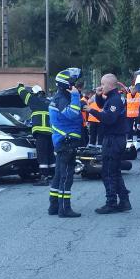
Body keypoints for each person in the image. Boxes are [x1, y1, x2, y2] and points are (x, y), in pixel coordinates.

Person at [87, 73, 131, 214]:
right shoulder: (112, 98)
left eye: (103, 84)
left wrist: (91, 110)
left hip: (113, 139)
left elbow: (109, 118)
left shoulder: (115, 100)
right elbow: (103, 105)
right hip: (114, 139)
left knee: (107, 172)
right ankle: (124, 201)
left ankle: (111, 203)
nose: (101, 86)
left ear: (111, 85)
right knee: (114, 171)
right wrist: (98, 95)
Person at [48, 68, 84, 218]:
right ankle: (64, 209)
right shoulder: (62, 98)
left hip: (63, 142)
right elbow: (71, 113)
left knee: (58, 175)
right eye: (73, 84)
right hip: (66, 142)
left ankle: (54, 206)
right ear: (67, 85)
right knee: (66, 177)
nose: (75, 86)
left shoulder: (60, 97)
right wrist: (76, 96)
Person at [17, 83, 54, 186]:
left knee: (42, 155)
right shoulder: (49, 102)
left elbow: (23, 94)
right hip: (50, 132)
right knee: (50, 154)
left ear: (34, 93)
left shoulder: (34, 100)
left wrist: (20, 86)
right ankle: (53, 175)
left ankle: (44, 177)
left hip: (40, 133)